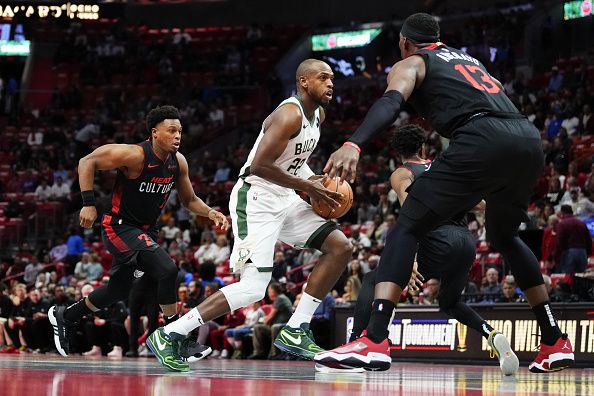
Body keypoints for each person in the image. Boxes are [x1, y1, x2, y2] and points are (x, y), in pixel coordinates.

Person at [317, 13, 573, 373]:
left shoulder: (413, 62)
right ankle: (553, 340)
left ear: (405, 42)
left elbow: (391, 103)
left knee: (406, 228)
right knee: (505, 236)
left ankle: (373, 339)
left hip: (480, 138)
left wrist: (353, 143)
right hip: (527, 139)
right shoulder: (469, 59)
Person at [150, 59, 353, 371]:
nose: (330, 84)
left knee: (340, 247)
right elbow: (259, 165)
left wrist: (313, 181)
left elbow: (293, 162)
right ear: (303, 82)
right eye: (323, 78)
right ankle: (170, 333)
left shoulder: (318, 115)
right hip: (255, 198)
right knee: (254, 287)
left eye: (332, 79)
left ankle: (297, 328)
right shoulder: (289, 114)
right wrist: (307, 188)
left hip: (285, 197)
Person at [48, 105, 228, 373]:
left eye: (180, 131)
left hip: (146, 230)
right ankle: (175, 337)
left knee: (118, 290)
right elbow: (87, 161)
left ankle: (65, 315)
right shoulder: (133, 154)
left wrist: (211, 212)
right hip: (119, 227)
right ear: (155, 133)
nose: (178, 136)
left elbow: (189, 200)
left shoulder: (178, 162)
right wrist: (88, 203)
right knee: (168, 270)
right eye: (172, 130)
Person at [334, 125, 517, 375]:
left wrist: (412, 256)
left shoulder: (402, 173)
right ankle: (491, 334)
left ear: (398, 152)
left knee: (372, 280)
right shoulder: (444, 168)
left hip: (435, 240)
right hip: (465, 244)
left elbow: (412, 214)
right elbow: (480, 204)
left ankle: (355, 345)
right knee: (449, 301)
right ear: (423, 147)